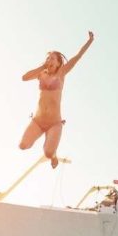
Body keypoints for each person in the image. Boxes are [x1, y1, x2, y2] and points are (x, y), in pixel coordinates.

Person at [19, 32, 95, 168]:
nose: (50, 60)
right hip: (37, 121)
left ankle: (54, 156)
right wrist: (42, 66)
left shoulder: (62, 73)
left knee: (48, 153)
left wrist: (89, 41)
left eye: (53, 58)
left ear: (59, 62)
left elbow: (77, 57)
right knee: (23, 145)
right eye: (48, 58)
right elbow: (24, 77)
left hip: (54, 123)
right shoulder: (41, 74)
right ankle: (47, 147)